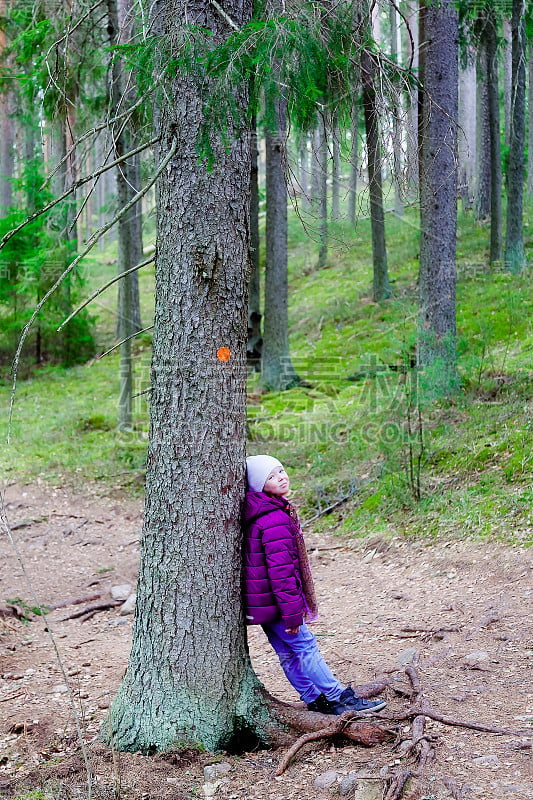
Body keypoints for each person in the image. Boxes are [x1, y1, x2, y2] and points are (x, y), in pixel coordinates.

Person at [242, 454, 387, 715]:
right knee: (305, 646)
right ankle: (338, 698)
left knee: (288, 653)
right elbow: (281, 572)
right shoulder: (273, 518)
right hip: (278, 603)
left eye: (282, 471)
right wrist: (292, 613)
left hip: (264, 604)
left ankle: (314, 699)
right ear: (259, 484)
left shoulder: (259, 513)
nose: (281, 477)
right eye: (272, 476)